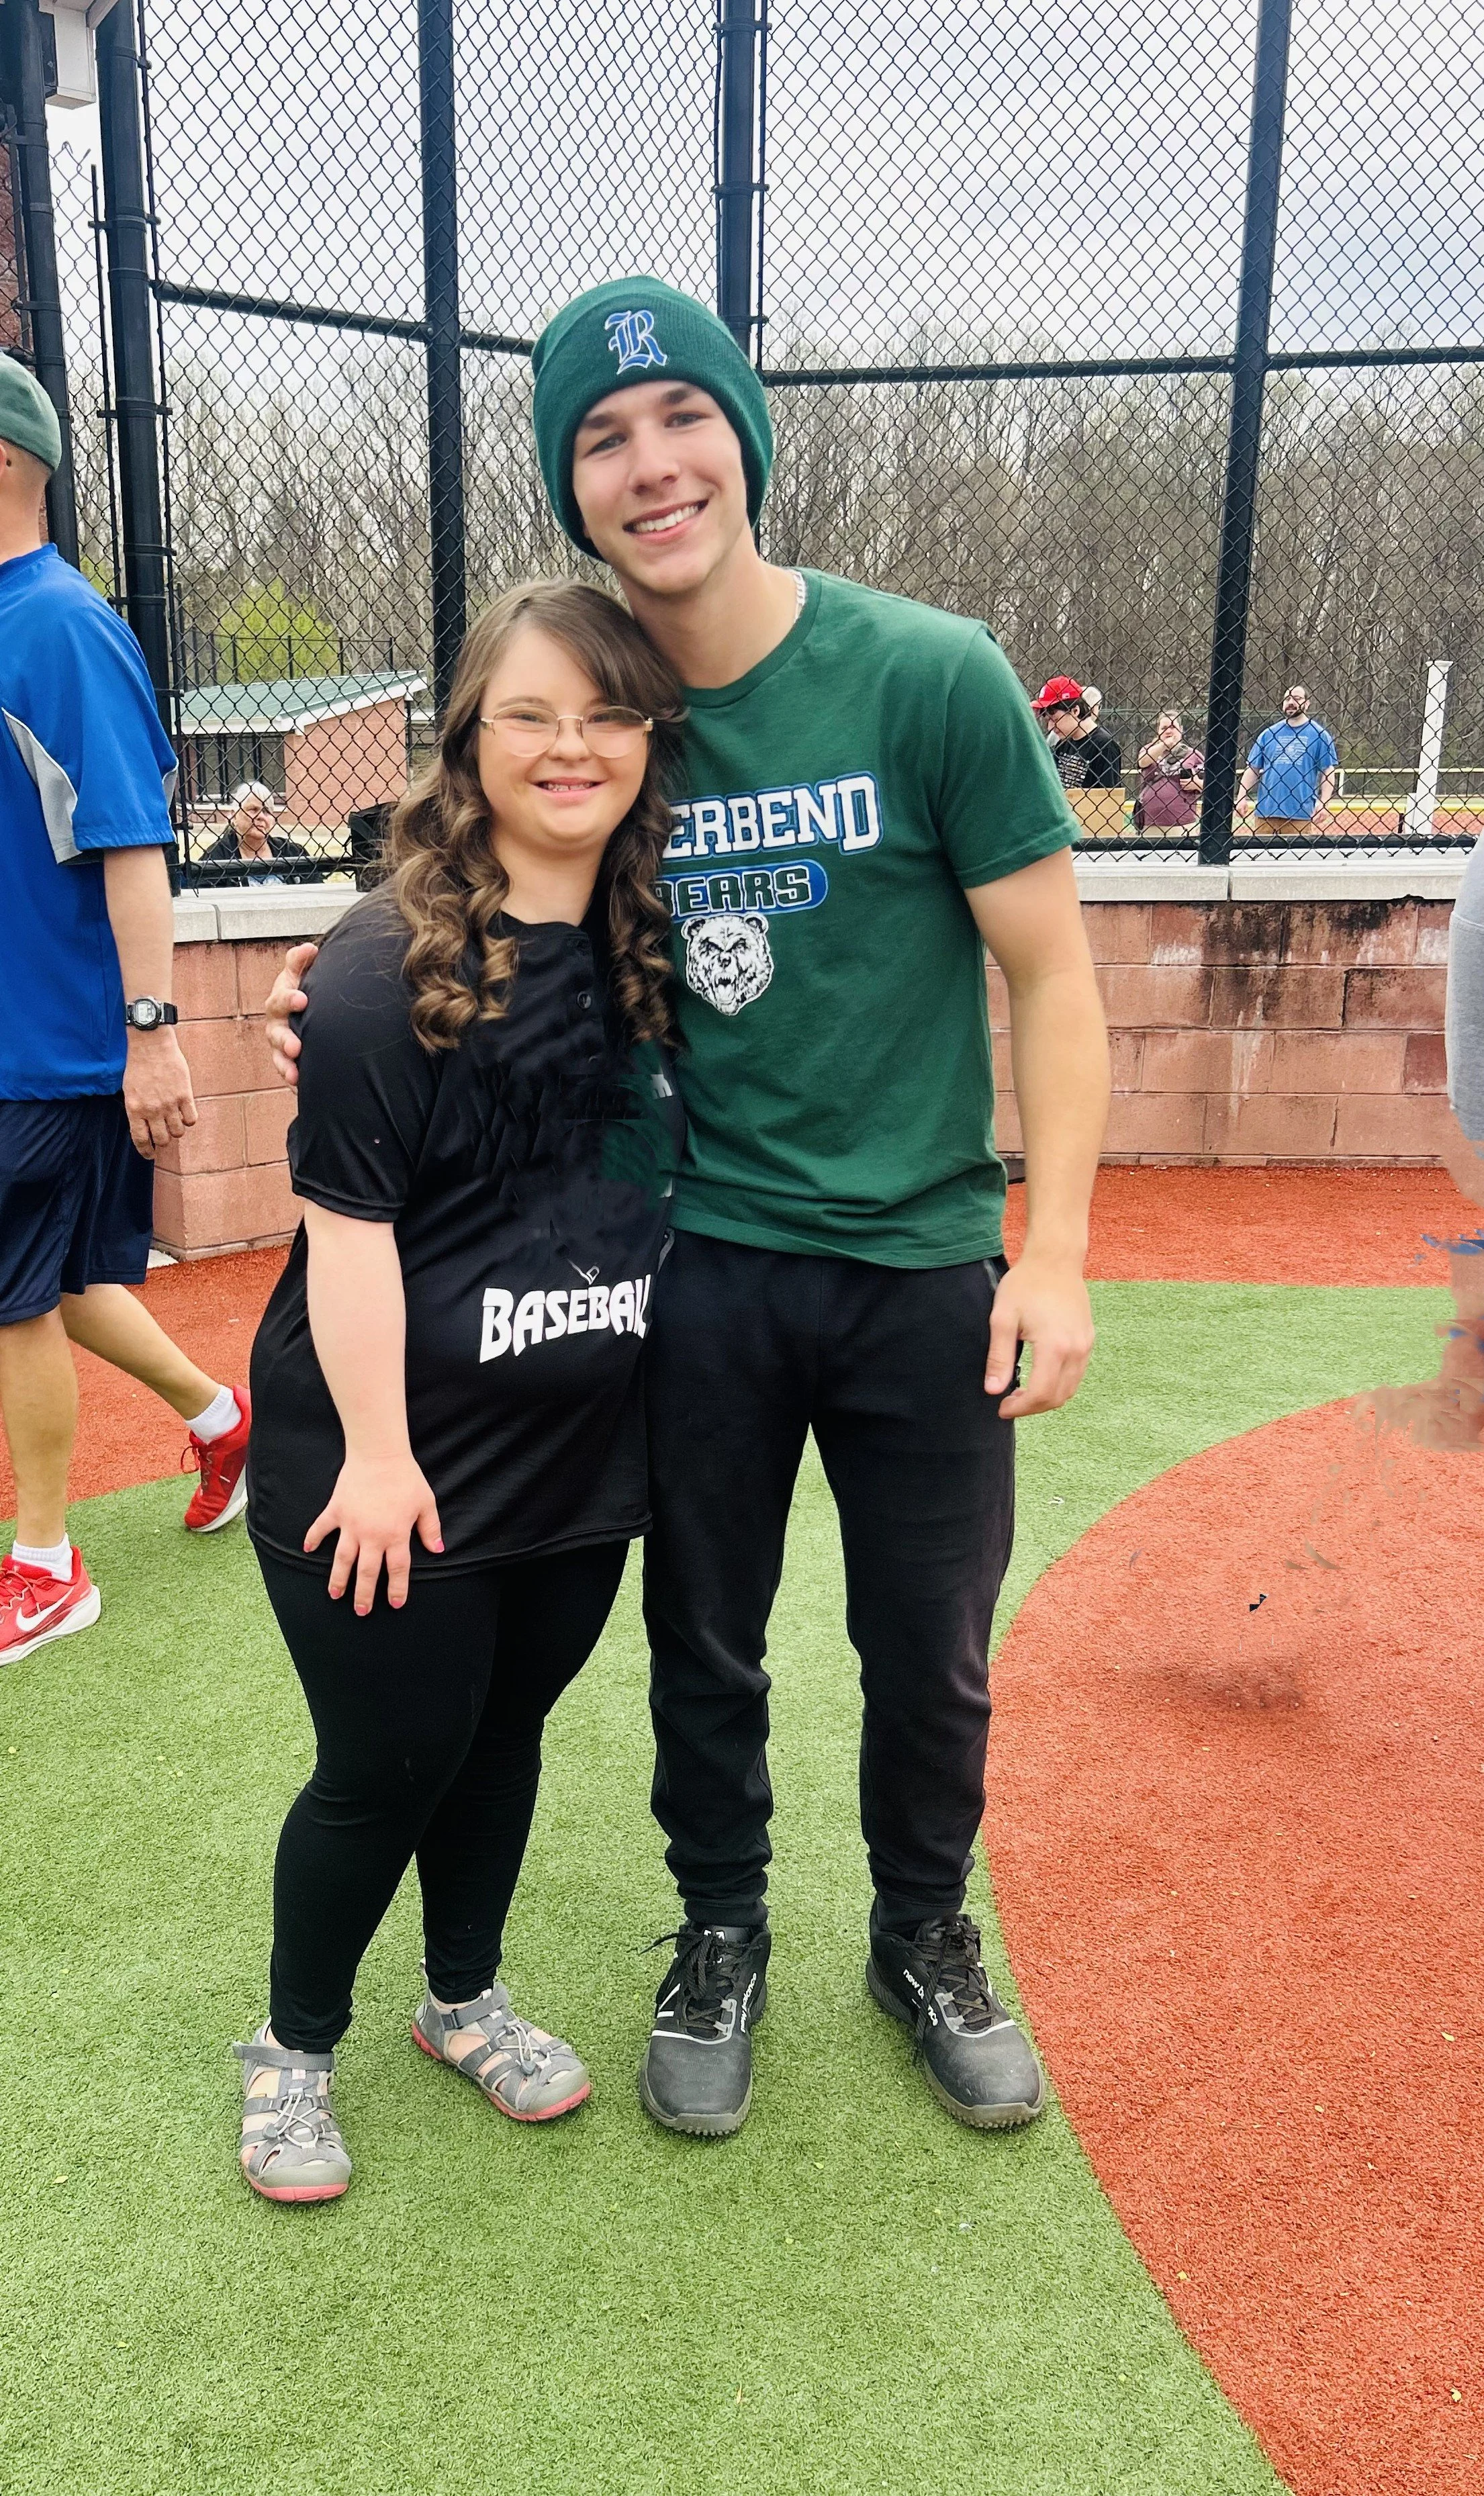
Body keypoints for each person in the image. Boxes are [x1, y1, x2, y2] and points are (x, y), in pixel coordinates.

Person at [266, 277, 1110, 2141]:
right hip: (697, 1270)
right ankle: (717, 1929)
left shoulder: (927, 673)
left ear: (745, 436)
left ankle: (921, 1932)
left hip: (917, 1263)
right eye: (602, 438)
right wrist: (337, 983)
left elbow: (1052, 975)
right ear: (572, 486)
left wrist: (1050, 1252)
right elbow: (486, 871)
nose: (651, 465)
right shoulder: (615, 711)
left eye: (682, 419)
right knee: (702, 1640)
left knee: (927, 1645)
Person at [235, 582, 686, 2200]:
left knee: (503, 1739)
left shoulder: (658, 948)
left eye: (607, 713)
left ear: (649, 739)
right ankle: (291, 2048)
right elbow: (345, 1231)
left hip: (576, 1462)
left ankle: (461, 2000)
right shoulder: (378, 966)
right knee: (387, 1763)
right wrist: (376, 1454)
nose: (572, 747)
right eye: (530, 715)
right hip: (387, 1466)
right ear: (468, 740)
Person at [0, 359, 252, 1669]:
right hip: (24, 1042)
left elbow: (135, 841)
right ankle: (221, 1419)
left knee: (15, 1301)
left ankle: (46, 1562)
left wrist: (155, 1033)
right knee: (67, 1284)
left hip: (46, 1048)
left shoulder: (57, 625)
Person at [1237, 687, 1338, 836]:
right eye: (1287, 699)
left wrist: (1324, 803)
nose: (1291, 702)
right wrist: (1241, 797)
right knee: (1260, 851)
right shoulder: (1268, 734)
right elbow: (1253, 769)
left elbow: (1327, 771)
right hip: (1266, 813)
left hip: (1300, 815)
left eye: (1297, 698)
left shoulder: (1320, 735)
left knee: (1295, 851)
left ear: (1307, 704)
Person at [196, 782, 316, 884]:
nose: (261, 817)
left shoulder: (292, 852)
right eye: (253, 810)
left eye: (266, 811)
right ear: (234, 816)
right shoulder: (218, 855)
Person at [1031, 678, 1123, 789]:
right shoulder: (1063, 743)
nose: (1050, 727)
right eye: (1048, 721)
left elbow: (1109, 796)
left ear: (1075, 711)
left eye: (1055, 720)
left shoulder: (1104, 746)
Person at [1134, 710, 1205, 831]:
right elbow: (1142, 762)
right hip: (1150, 823)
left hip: (1183, 824)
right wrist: (1163, 746)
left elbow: (1212, 786)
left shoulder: (1193, 755)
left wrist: (1197, 783)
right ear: (1158, 731)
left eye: (1173, 727)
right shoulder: (1149, 749)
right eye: (1164, 728)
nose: (1168, 731)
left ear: (1181, 730)